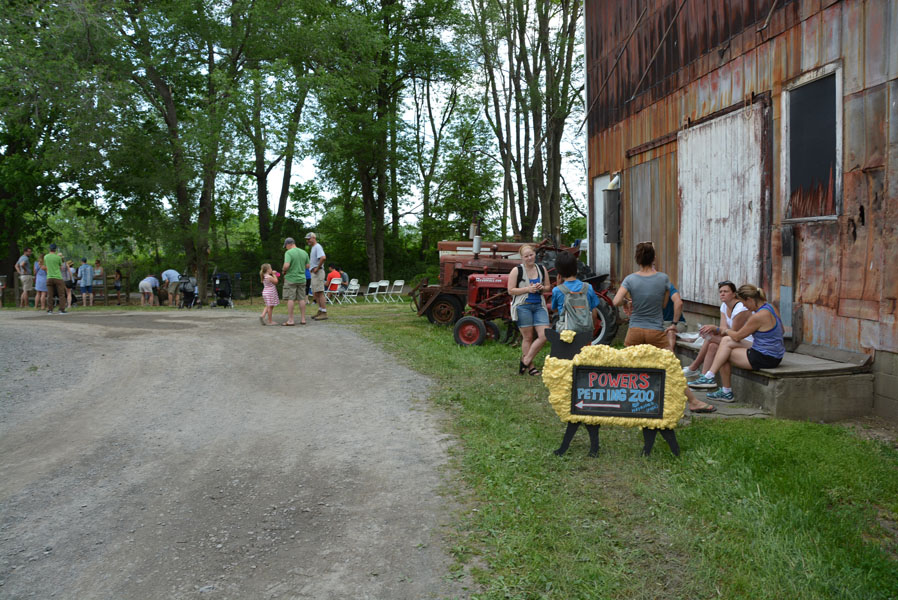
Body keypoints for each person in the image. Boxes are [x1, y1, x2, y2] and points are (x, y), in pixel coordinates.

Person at [612, 241, 715, 413]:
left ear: (637, 259)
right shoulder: (663, 278)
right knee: (672, 366)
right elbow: (674, 303)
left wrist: (626, 302)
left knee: (627, 366)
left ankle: (619, 401)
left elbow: (615, 301)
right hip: (655, 331)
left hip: (635, 330)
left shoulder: (630, 279)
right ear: (653, 258)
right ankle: (693, 401)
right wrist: (673, 324)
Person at [689, 285, 785, 402]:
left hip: (765, 357)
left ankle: (723, 389)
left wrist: (721, 330)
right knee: (726, 342)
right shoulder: (771, 307)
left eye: (744, 303)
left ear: (749, 299)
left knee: (724, 353)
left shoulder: (758, 316)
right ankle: (709, 376)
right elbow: (782, 331)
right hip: (776, 354)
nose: (744, 307)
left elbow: (738, 336)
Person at [684, 281, 752, 384]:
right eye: (720, 292)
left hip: (745, 341)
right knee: (712, 345)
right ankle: (704, 378)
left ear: (734, 294)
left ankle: (694, 367)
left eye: (726, 291)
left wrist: (714, 329)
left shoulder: (741, 308)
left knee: (711, 339)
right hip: (731, 339)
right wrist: (712, 330)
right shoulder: (724, 306)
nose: (722, 294)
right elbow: (723, 329)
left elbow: (733, 333)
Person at [508, 244, 550, 376]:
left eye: (531, 255)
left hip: (539, 306)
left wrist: (541, 287)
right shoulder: (516, 270)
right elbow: (511, 290)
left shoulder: (542, 269)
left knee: (544, 335)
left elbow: (548, 287)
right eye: (526, 256)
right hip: (523, 306)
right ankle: (531, 367)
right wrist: (528, 289)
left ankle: (525, 360)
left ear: (535, 254)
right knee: (528, 337)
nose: (529, 258)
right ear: (522, 257)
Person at [551, 250, 599, 338]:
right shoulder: (588, 288)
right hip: (585, 333)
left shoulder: (557, 290)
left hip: (566, 335)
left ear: (559, 273)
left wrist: (558, 286)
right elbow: (594, 313)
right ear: (576, 269)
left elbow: (554, 309)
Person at [281, 237, 309, 326]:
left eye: (286, 246)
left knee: (291, 299)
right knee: (301, 299)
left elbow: (286, 265)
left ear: (288, 244)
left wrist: (284, 271)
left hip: (291, 279)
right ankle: (303, 319)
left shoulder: (288, 253)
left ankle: (291, 320)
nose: (286, 248)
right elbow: (308, 266)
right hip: (302, 278)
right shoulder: (304, 252)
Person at [306, 232, 328, 320]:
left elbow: (323, 257)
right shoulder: (313, 247)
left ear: (314, 238)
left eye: (309, 239)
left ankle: (324, 312)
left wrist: (317, 268)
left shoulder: (317, 246)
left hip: (318, 273)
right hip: (315, 273)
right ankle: (320, 310)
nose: (308, 240)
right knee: (316, 293)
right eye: (307, 239)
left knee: (320, 292)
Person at [661, 282, 687, 351]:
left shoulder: (667, 286)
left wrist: (674, 324)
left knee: (671, 332)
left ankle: (669, 355)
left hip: (676, 322)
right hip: (658, 324)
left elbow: (679, 303)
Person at [44, 244, 67, 314]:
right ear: (55, 249)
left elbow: (46, 266)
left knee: (50, 295)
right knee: (61, 294)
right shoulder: (58, 257)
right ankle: (61, 309)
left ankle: (50, 310)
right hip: (58, 277)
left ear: (49, 249)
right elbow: (61, 267)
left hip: (49, 277)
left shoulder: (46, 257)